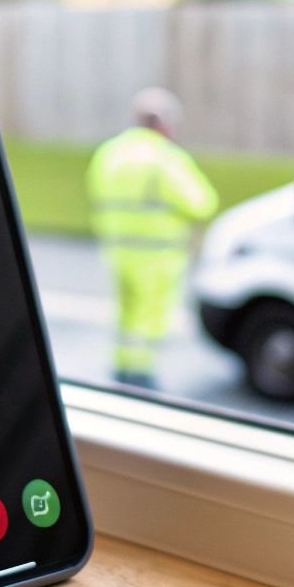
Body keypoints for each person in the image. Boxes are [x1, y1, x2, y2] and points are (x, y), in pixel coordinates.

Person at [86, 87, 219, 389]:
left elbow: (95, 194)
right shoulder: (164, 158)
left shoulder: (111, 153)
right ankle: (141, 374)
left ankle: (122, 366)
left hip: (118, 251)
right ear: (165, 124)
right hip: (157, 256)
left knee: (126, 313)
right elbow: (202, 202)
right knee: (149, 317)